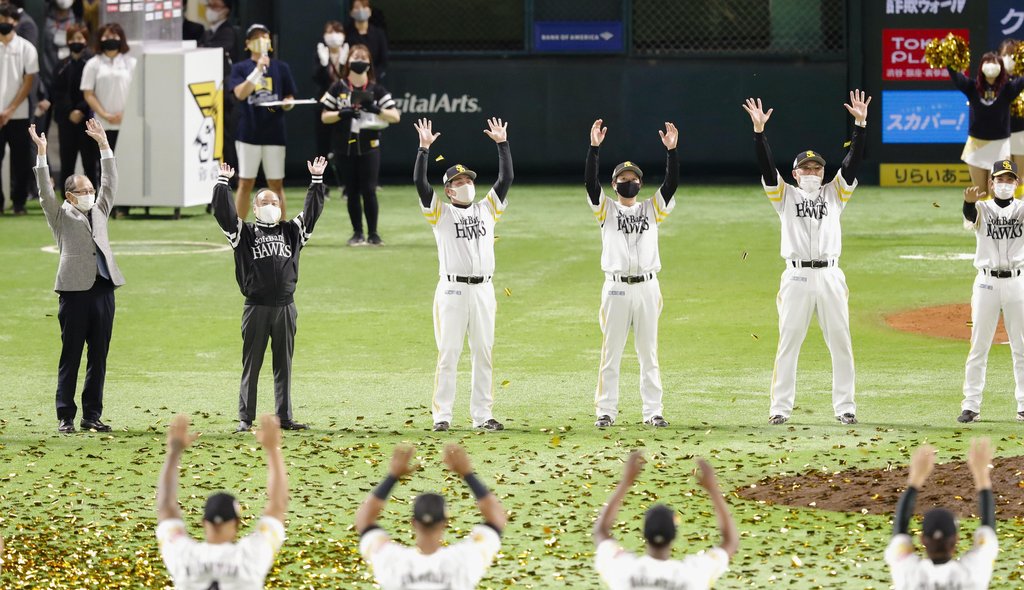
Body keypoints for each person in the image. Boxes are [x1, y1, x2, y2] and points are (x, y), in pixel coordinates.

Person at [741, 91, 870, 426]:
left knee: (841, 342)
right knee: (789, 343)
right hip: (796, 277)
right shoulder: (784, 195)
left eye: (817, 167)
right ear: (795, 173)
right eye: (805, 168)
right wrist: (759, 133)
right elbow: (767, 168)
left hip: (830, 276)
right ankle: (780, 407)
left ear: (824, 172)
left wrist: (860, 125)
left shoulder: (835, 194)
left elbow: (853, 162)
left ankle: (845, 406)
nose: (812, 171)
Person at [211, 158, 326, 433]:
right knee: (252, 363)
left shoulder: (292, 231)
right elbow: (223, 213)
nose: (271, 207)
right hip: (257, 307)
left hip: (286, 307)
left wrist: (317, 182)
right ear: (254, 208)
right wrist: (222, 184)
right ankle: (245, 418)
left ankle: (284, 417)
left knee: (283, 365)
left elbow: (311, 213)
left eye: (274, 203)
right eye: (265, 203)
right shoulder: (244, 232)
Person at [412, 118, 512, 432]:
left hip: (484, 290)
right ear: (448, 190)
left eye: (468, 179)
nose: (466, 183)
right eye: (458, 181)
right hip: (452, 291)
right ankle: (442, 416)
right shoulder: (440, 212)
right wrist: (424, 150)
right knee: (449, 352)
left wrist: (502, 144)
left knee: (483, 352)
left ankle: (482, 416)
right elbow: (420, 184)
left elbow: (506, 177)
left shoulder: (487, 209)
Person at [30, 118, 123, 434]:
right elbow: (44, 191)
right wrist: (42, 154)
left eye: (90, 189)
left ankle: (92, 415)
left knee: (99, 356)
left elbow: (110, 181)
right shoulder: (60, 215)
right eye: (82, 191)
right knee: (70, 355)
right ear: (69, 195)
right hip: (73, 292)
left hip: (103, 289)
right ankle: (65, 416)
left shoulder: (100, 209)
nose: (89, 193)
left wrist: (104, 145)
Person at [585, 119, 679, 428]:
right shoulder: (606, 210)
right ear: (614, 185)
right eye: (623, 178)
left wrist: (671, 152)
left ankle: (653, 411)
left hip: (648, 287)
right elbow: (590, 184)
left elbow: (671, 184)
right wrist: (594, 148)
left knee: (648, 353)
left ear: (640, 183)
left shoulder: (653, 209)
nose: (629, 181)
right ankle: (605, 412)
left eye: (634, 178)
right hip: (615, 288)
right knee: (610, 354)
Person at [156, 414, 288, 589]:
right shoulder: (249, 556)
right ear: (236, 524)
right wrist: (272, 448)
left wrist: (174, 452)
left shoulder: (183, 555)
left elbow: (165, 507)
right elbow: (278, 505)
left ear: (203, 523)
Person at [356, 444, 506, 589]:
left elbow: (364, 520)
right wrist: (467, 474)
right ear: (445, 523)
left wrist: (393, 476)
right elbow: (496, 519)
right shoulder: (464, 559)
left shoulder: (392, 559)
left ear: (413, 522)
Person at [593, 451, 738, 589]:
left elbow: (601, 531)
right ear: (674, 536)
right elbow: (730, 542)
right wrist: (713, 489)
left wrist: (625, 482)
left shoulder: (623, 570)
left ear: (644, 533)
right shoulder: (693, 574)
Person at [958, 160, 1024, 424]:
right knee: (979, 345)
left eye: (1010, 180)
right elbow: (969, 218)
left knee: (1021, 346)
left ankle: (1023, 405)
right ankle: (971, 405)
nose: (1005, 184)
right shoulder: (981, 208)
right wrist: (967, 203)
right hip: (986, 283)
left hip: (1018, 282)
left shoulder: (1022, 209)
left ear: (1017, 184)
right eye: (1000, 179)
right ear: (991, 183)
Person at [885, 440, 997, 589]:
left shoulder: (908, 574)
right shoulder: (972, 572)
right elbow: (988, 528)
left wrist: (915, 479)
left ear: (922, 539)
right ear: (956, 539)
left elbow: (899, 531)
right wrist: (981, 475)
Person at [320, 44, 399, 246]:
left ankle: (373, 233)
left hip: (369, 146)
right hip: (343, 147)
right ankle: (357, 233)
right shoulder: (338, 87)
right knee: (351, 190)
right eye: (356, 56)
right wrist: (341, 113)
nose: (359, 59)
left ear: (369, 63)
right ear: (349, 61)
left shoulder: (376, 89)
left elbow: (395, 116)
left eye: (364, 57)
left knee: (369, 189)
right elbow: (324, 117)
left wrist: (375, 109)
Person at [229, 23, 297, 220]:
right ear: (248, 44)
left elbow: (289, 95)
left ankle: (283, 231)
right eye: (256, 37)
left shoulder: (281, 68)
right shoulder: (240, 68)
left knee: (276, 184)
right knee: (245, 182)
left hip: (274, 132)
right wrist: (258, 70)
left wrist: (288, 103)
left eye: (265, 36)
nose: (262, 41)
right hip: (248, 133)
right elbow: (240, 94)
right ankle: (238, 230)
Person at [949, 52, 1024, 196]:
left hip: (1000, 145)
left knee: (997, 190)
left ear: (1001, 67)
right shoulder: (972, 87)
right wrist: (948, 62)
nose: (991, 65)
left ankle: (998, 218)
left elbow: (1022, 81)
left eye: (995, 62)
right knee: (980, 192)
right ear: (981, 66)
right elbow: (957, 79)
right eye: (987, 61)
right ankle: (980, 218)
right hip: (976, 144)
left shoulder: (1008, 89)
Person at [81, 21, 135, 218]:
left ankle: (123, 204)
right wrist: (104, 114)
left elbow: (136, 92)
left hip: (127, 123)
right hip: (101, 124)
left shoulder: (131, 63)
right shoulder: (93, 64)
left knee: (124, 164)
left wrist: (126, 113)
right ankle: (102, 206)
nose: (109, 39)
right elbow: (88, 93)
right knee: (102, 165)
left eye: (114, 35)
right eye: (105, 36)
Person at [0, 3, 38, 216]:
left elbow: (28, 81)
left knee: (21, 160)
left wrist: (10, 109)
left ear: (15, 22)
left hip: (19, 113)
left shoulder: (26, 48)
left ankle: (19, 202)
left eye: (8, 19)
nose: (4, 23)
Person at [51, 22, 96, 190]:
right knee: (67, 160)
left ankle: (92, 196)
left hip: (87, 120)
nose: (77, 41)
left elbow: (92, 90)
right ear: (68, 41)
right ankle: (67, 197)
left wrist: (80, 109)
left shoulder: (92, 62)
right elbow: (57, 92)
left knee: (89, 161)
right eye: (73, 38)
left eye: (80, 38)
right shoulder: (62, 65)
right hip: (66, 120)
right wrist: (69, 111)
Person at [312, 20, 347, 195]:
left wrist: (342, 63)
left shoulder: (348, 52)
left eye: (337, 31)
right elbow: (316, 77)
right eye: (330, 32)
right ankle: (321, 186)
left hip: (343, 105)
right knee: (323, 147)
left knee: (344, 146)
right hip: (324, 105)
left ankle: (347, 186)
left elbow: (348, 79)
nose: (334, 35)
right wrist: (325, 64)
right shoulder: (321, 53)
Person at [999, 39, 1024, 191]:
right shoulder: (994, 80)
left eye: (1012, 54)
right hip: (1000, 135)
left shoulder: (1021, 79)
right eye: (1005, 54)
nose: (1009, 58)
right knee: (1003, 178)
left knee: (1020, 177)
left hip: (1021, 132)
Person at [344, 0, 388, 80]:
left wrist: (371, 78)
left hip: (373, 81)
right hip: (351, 80)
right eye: (357, 7)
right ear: (351, 13)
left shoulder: (379, 34)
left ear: (370, 11)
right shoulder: (346, 34)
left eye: (364, 7)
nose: (361, 10)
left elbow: (383, 61)